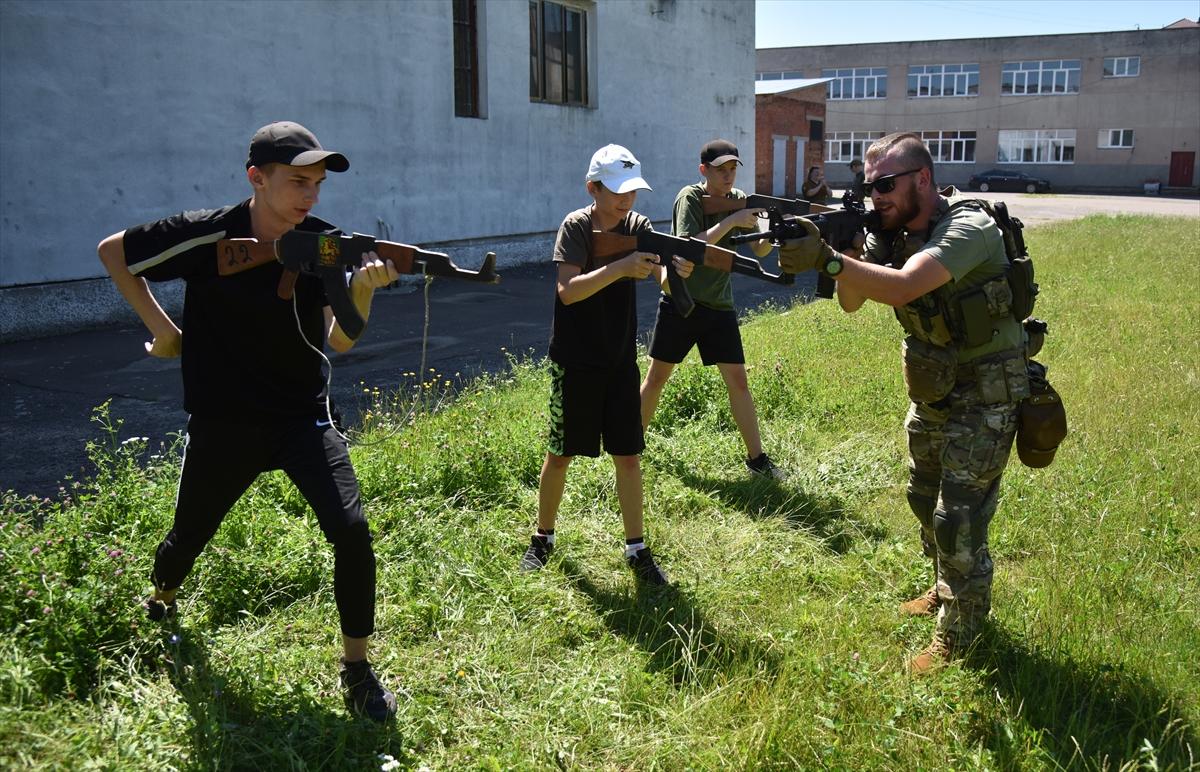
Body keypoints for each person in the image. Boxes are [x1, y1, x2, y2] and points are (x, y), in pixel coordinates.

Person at [96, 121, 400, 720]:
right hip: (225, 420)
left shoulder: (324, 242)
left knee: (352, 533)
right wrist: (164, 331)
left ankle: (357, 671)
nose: (311, 195)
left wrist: (364, 290)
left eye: (318, 184)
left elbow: (339, 340)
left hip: (303, 417)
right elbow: (114, 252)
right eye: (298, 182)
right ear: (257, 178)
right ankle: (161, 599)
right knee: (189, 535)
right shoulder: (207, 235)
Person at [779, 132, 1028, 674]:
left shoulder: (968, 226)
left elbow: (904, 287)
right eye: (870, 186)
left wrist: (830, 260)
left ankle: (960, 634)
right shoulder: (888, 233)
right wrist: (843, 252)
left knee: (957, 516)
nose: (877, 196)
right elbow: (851, 302)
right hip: (934, 384)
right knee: (923, 496)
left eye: (887, 184)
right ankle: (943, 585)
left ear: (923, 179)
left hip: (987, 388)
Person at [518, 144, 693, 584]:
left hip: (619, 361)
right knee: (560, 454)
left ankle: (637, 548)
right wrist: (621, 267)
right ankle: (542, 538)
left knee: (629, 457)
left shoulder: (639, 226)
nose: (627, 199)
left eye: (632, 190)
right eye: (617, 190)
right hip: (575, 361)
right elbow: (568, 291)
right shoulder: (576, 226)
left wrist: (676, 273)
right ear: (592, 188)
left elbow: (661, 276)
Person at [639, 139, 783, 480]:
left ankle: (757, 459)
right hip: (682, 301)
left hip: (719, 304)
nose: (728, 176)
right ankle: (628, 446)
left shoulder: (740, 200)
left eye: (733, 169)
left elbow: (760, 251)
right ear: (704, 170)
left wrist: (774, 231)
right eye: (721, 170)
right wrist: (732, 220)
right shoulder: (690, 197)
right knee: (656, 378)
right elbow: (689, 246)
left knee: (738, 381)